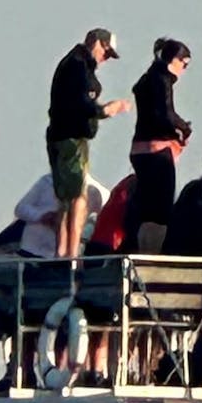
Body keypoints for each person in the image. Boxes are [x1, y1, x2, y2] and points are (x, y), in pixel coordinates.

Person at [47, 28, 131, 258]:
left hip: (62, 136)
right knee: (77, 198)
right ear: (97, 43)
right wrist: (107, 110)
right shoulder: (77, 65)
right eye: (106, 52)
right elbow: (82, 104)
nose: (105, 59)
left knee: (66, 199)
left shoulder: (75, 64)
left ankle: (62, 253)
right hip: (70, 140)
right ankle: (70, 254)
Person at [125, 38, 192, 254]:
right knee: (160, 212)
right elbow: (165, 114)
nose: (185, 70)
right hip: (157, 150)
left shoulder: (146, 79)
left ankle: (137, 251)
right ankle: (151, 256)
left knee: (144, 207)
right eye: (185, 64)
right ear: (174, 60)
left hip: (139, 149)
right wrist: (182, 129)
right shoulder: (163, 80)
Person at [14, 173, 105, 259]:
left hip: (68, 258)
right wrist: (42, 216)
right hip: (33, 251)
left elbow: (98, 223)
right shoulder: (47, 181)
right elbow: (20, 208)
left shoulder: (98, 191)